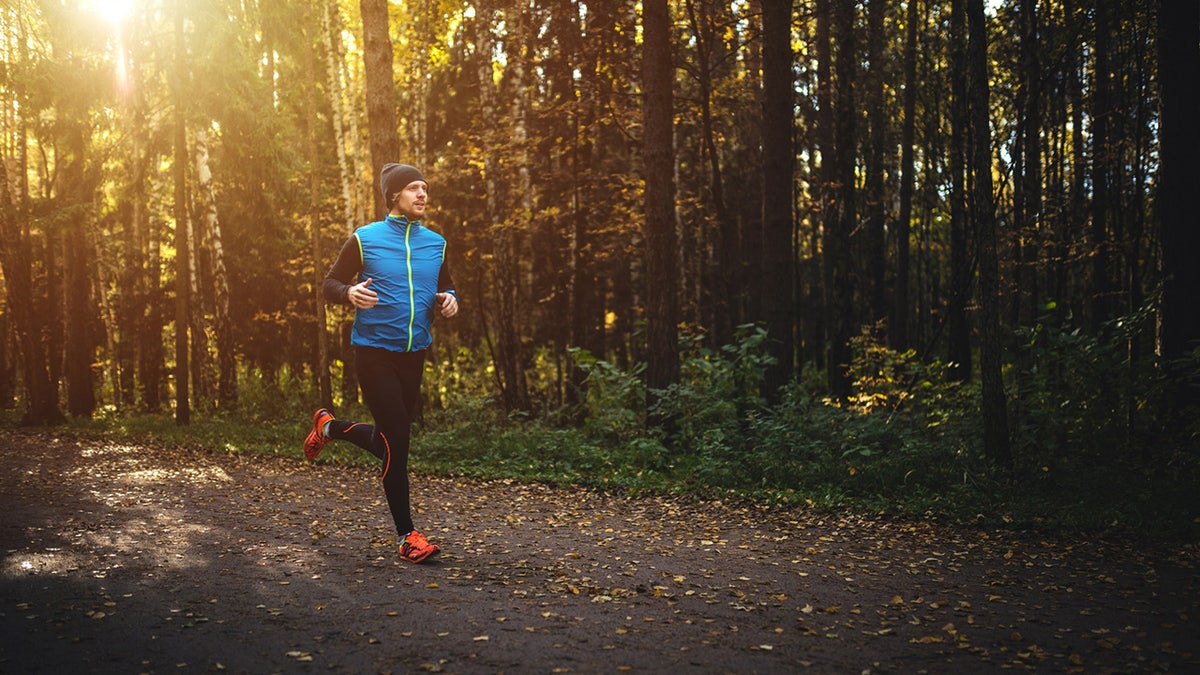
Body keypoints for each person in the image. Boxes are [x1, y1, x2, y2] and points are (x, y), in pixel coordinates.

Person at [303, 162, 459, 564]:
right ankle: (407, 535)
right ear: (394, 196)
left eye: (425, 187)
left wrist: (450, 299)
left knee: (387, 440)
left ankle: (329, 426)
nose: (422, 194)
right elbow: (329, 283)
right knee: (399, 440)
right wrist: (349, 293)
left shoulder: (436, 243)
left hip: (414, 355)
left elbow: (445, 285)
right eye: (413, 188)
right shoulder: (365, 238)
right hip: (373, 353)